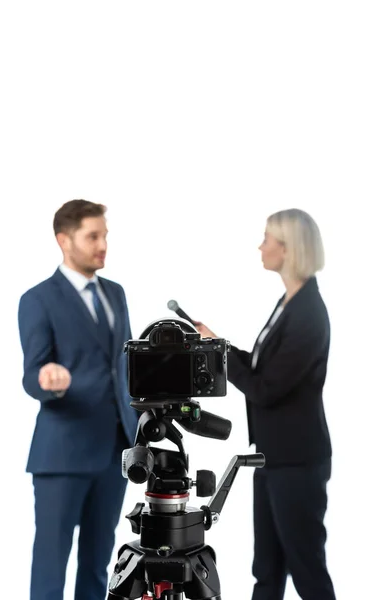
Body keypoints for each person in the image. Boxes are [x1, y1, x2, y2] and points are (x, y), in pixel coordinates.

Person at [194, 208, 336, 600]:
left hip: (296, 462)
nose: (261, 246)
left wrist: (220, 356)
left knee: (307, 571)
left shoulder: (308, 313)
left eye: (268, 239)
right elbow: (261, 368)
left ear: (288, 249)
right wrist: (218, 346)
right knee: (267, 572)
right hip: (271, 457)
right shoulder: (288, 304)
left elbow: (266, 388)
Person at [18, 199, 138, 600]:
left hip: (115, 449)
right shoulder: (38, 300)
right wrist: (47, 379)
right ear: (64, 240)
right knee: (51, 565)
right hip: (63, 452)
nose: (103, 244)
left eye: (105, 235)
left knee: (98, 563)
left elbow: (121, 366)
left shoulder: (116, 294)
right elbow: (32, 374)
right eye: (93, 236)